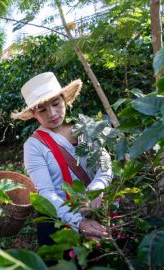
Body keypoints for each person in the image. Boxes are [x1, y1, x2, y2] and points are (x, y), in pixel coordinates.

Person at [11, 72, 113, 244]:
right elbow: (45, 193)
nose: (51, 113)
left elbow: (105, 164)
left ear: (65, 100)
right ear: (33, 114)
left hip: (97, 212)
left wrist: (96, 189)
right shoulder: (34, 145)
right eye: (42, 110)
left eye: (56, 103)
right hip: (59, 223)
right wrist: (78, 221)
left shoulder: (84, 128)